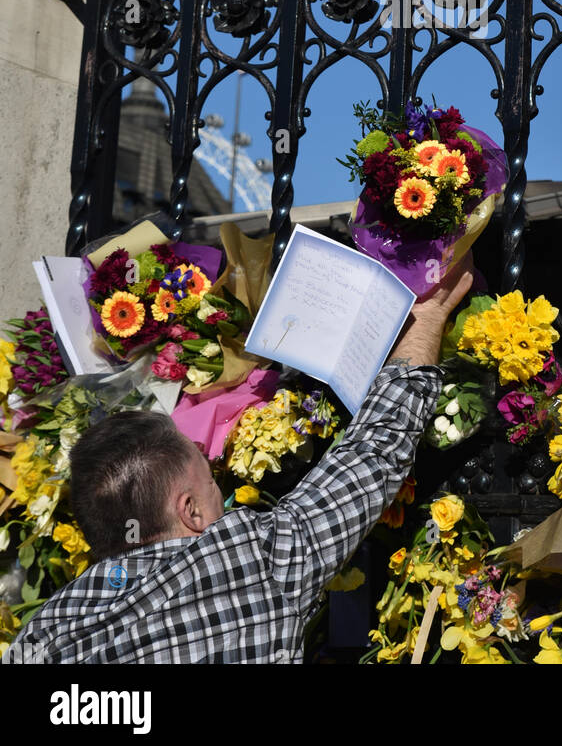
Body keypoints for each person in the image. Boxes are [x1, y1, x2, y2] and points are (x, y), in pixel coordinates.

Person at [2, 257, 474, 665]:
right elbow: (373, 453)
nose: (220, 495)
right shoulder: (241, 563)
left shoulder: (47, 629)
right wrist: (429, 317)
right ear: (189, 510)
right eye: (209, 480)